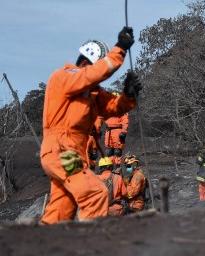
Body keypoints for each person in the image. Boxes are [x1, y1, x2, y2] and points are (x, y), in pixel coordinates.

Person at [39, 27, 141, 224]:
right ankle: (88, 246)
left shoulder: (92, 93)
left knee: (61, 208)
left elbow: (113, 107)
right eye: (98, 68)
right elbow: (91, 75)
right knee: (95, 193)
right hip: (61, 150)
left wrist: (128, 95)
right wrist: (119, 49)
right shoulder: (65, 76)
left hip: (73, 153)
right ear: (88, 62)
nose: (100, 79)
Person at [103, 98, 129, 168]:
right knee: (109, 152)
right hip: (109, 132)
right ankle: (109, 169)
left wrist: (124, 132)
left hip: (117, 131)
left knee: (117, 152)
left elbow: (125, 121)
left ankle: (117, 170)